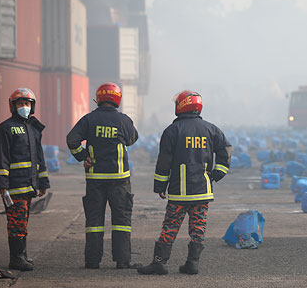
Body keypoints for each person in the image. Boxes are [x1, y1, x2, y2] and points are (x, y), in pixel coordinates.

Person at [138, 91, 231, 276]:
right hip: (203, 191)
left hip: (179, 192)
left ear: (181, 106)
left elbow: (164, 161)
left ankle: (160, 263)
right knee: (198, 227)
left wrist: (160, 186)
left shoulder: (172, 131)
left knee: (171, 226)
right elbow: (226, 150)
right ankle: (192, 264)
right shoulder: (211, 129)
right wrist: (217, 174)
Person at [66, 82, 140, 269]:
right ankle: (122, 261)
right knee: (121, 220)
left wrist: (82, 156)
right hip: (119, 180)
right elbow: (132, 139)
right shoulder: (124, 120)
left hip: (95, 180)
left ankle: (92, 261)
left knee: (94, 221)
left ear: (98, 98)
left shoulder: (88, 119)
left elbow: (72, 139)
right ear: (117, 99)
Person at [0, 88, 50, 271]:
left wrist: (43, 183)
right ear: (13, 106)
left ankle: (22, 255)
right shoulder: (6, 128)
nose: (24, 107)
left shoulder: (33, 128)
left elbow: (39, 158)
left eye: (27, 104)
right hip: (14, 186)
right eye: (20, 104)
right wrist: (2, 186)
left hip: (29, 185)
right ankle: (16, 259)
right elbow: (1, 157)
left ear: (32, 106)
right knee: (16, 222)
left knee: (23, 221)